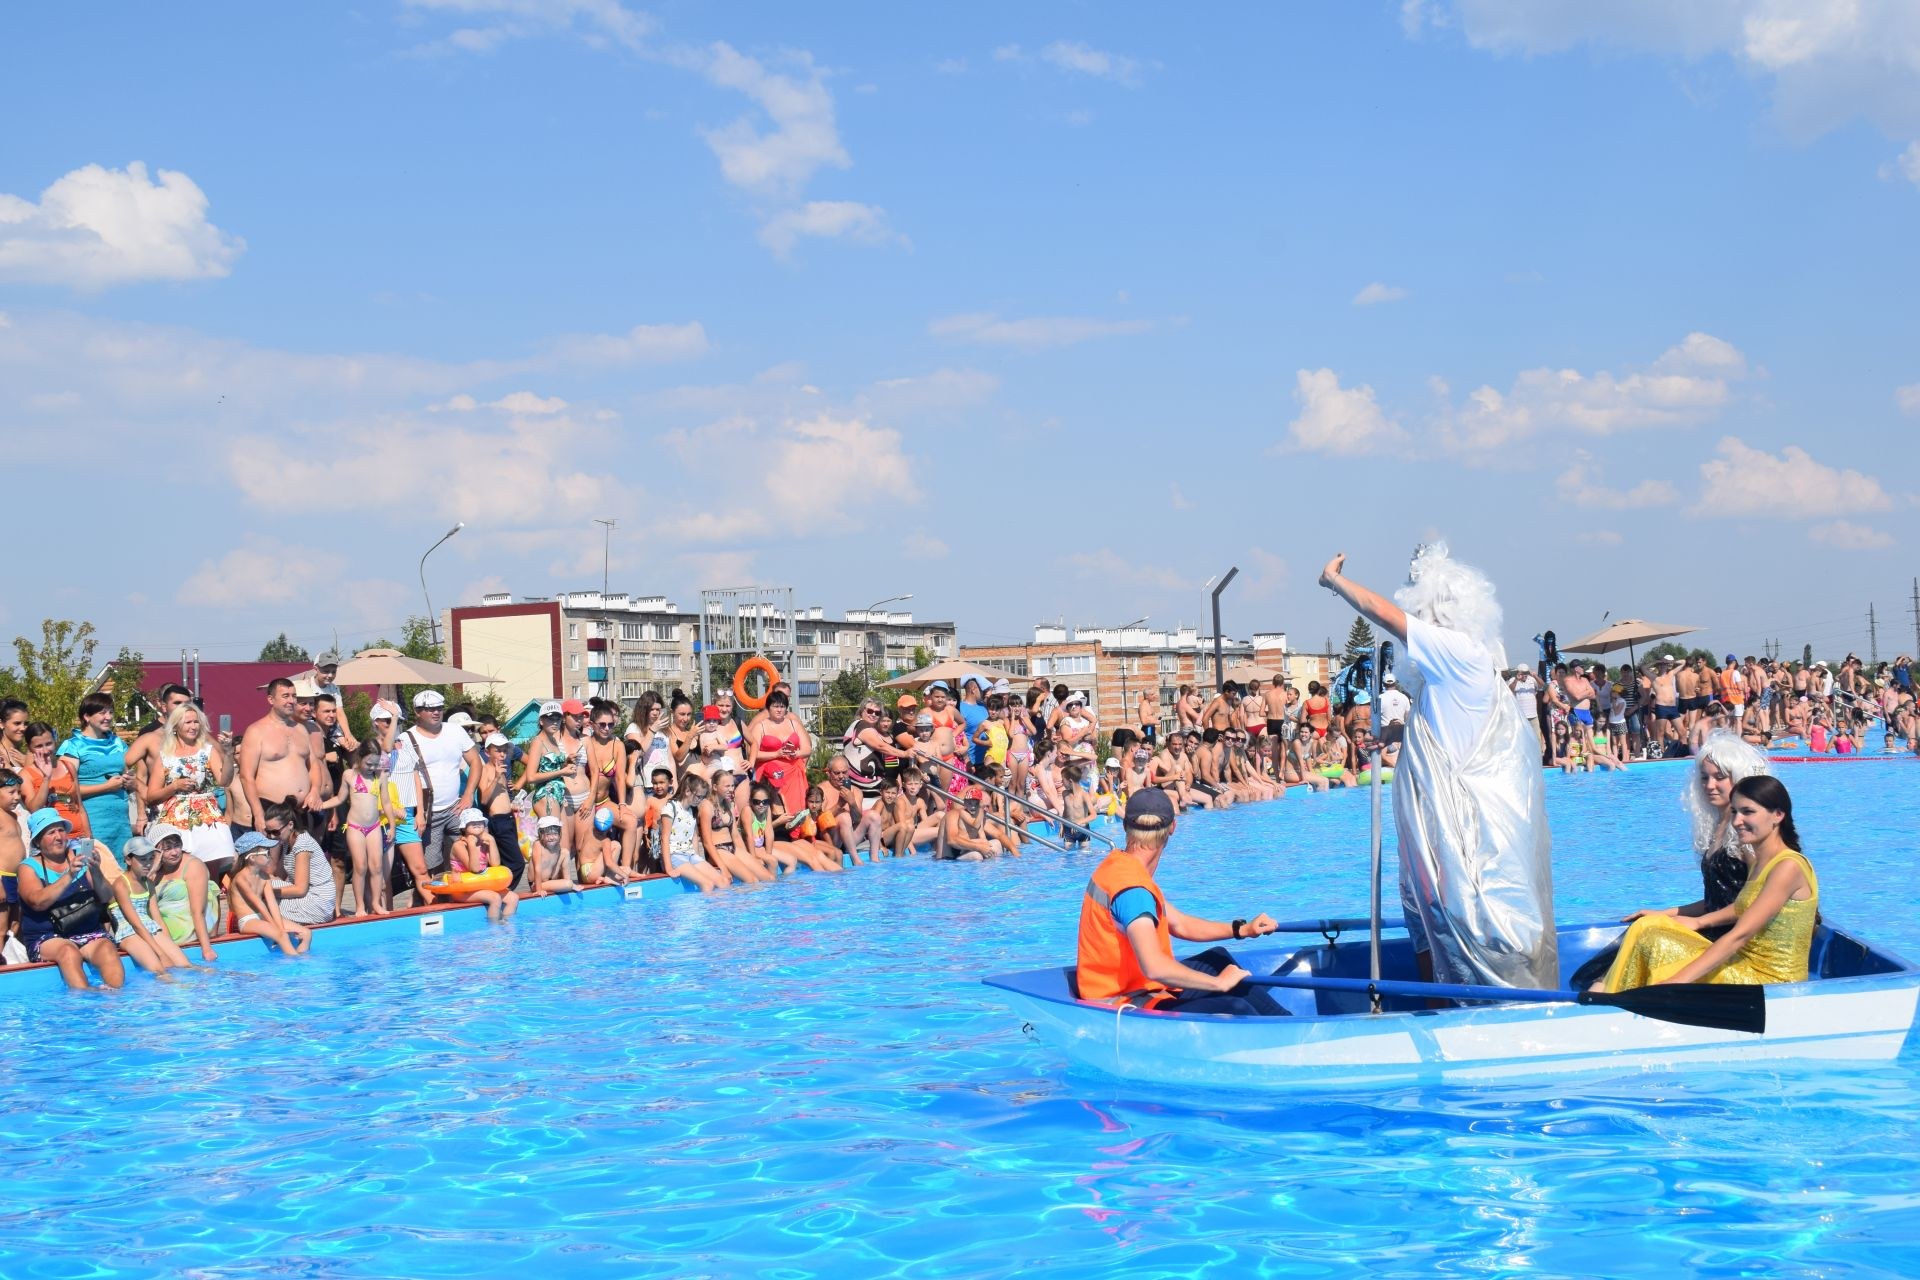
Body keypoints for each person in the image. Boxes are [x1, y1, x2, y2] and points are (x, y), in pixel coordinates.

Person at [1319, 544, 1556, 988]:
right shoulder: (1448, 671)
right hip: (1430, 821)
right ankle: (1436, 1001)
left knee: (1450, 915)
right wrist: (1395, 734)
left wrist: (1334, 580)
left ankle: (1460, 1004)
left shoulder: (1455, 649)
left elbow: (1383, 613)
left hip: (1452, 824)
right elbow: (1445, 732)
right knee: (1425, 917)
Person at [1568, 732, 1770, 988]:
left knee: (1645, 937)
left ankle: (1605, 995)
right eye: (1704, 777)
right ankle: (1603, 991)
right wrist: (1666, 913)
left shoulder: (1747, 836)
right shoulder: (1718, 826)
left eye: (1720, 777)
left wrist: (1694, 922)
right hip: (1713, 928)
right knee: (1643, 927)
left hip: (1731, 940)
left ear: (1740, 779)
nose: (1709, 785)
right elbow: (1719, 898)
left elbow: (1754, 904)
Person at [1074, 789, 1287, 1014]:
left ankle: (1286, 1024)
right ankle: (1290, 1033)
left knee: (1217, 959)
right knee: (1236, 1007)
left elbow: (1180, 924)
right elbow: (1154, 967)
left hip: (1137, 986)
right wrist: (1218, 983)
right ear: (1172, 828)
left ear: (1126, 827)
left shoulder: (1121, 866)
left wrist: (1242, 929)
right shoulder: (1133, 891)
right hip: (1122, 1003)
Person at [1596, 776, 1816, 992]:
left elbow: (1740, 935)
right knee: (1647, 927)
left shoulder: (1788, 867)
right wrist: (1692, 920)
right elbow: (1742, 907)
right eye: (1734, 812)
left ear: (1777, 815)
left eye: (1748, 812)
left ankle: (1618, 1002)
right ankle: (1618, 999)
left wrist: (1676, 981)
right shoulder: (1761, 862)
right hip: (1743, 966)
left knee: (1658, 946)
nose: (1737, 821)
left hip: (1772, 984)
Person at [15, 809, 129, 989]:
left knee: (107, 948)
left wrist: (96, 870)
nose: (59, 836)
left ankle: (115, 1001)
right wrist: (68, 876)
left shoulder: (79, 856)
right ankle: (84, 1001)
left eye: (61, 830)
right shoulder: (28, 867)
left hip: (87, 931)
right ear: (37, 840)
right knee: (68, 951)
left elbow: (107, 896)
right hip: (47, 936)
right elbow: (37, 902)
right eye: (51, 832)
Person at [388, 689, 479, 903]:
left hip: (457, 807)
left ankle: (466, 900)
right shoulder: (406, 738)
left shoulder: (455, 731)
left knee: (468, 854)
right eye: (430, 709)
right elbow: (402, 776)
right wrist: (416, 812)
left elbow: (475, 761)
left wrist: (467, 794)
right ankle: (432, 906)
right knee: (431, 866)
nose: (436, 712)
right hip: (428, 813)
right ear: (418, 712)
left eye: (439, 708)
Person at [237, 679, 324, 834]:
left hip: (300, 810)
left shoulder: (301, 730)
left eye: (294, 696)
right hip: (271, 810)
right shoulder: (256, 731)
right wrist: (258, 814)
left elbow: (314, 765)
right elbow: (246, 776)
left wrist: (315, 790)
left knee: (301, 857)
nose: (291, 701)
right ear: (271, 699)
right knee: (272, 858)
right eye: (285, 696)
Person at [63, 692, 136, 852]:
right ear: (87, 717)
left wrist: (131, 782)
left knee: (121, 869)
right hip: (90, 821)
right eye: (102, 712)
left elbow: (129, 774)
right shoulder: (73, 746)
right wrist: (106, 787)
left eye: (110, 712)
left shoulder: (118, 743)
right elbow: (66, 790)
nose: (108, 717)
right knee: (91, 867)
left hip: (119, 823)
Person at [227, 831, 311, 956]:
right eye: (266, 852)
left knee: (306, 933)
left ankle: (302, 960)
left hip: (261, 917)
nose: (270, 855)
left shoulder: (264, 876)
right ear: (252, 858)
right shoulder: (240, 879)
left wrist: (280, 926)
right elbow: (259, 904)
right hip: (248, 921)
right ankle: (295, 967)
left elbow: (272, 905)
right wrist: (278, 929)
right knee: (281, 935)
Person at [261, 800, 339, 927]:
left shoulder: (302, 844)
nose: (272, 837)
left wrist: (267, 893)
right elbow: (277, 876)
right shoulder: (287, 842)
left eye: (275, 832)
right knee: (262, 886)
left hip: (318, 902)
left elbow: (300, 890)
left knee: (265, 905)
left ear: (290, 825)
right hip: (308, 895)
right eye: (268, 832)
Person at [448, 810, 520, 923]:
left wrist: (492, 841)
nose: (477, 824)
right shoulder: (459, 845)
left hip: (480, 886)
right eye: (472, 822)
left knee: (513, 898)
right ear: (463, 827)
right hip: (462, 891)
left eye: (480, 821)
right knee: (495, 898)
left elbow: (495, 864)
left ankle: (507, 926)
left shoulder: (484, 843)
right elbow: (475, 869)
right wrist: (471, 844)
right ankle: (493, 930)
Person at [748, 689, 810, 815]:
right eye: (775, 706)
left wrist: (796, 754)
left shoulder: (794, 724)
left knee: (797, 808)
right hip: (770, 774)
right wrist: (776, 754)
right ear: (768, 708)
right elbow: (753, 754)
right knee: (774, 808)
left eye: (782, 706)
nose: (779, 710)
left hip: (793, 772)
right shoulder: (761, 726)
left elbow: (807, 749)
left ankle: (797, 831)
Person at [525, 815, 580, 897]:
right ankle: (569, 884)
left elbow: (554, 865)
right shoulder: (538, 845)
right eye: (548, 834)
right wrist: (539, 889)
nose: (551, 838)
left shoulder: (557, 846)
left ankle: (567, 881)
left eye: (555, 834)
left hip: (550, 879)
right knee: (568, 884)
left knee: (565, 852)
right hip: (537, 883)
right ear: (541, 834)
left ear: (559, 834)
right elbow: (537, 868)